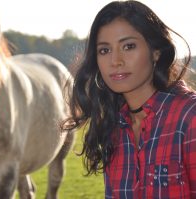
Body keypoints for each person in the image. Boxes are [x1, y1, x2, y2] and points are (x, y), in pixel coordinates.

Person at [62, 0, 196, 198]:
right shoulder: (113, 128)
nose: (116, 61)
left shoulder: (189, 116)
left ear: (156, 52)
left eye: (128, 46)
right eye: (104, 50)